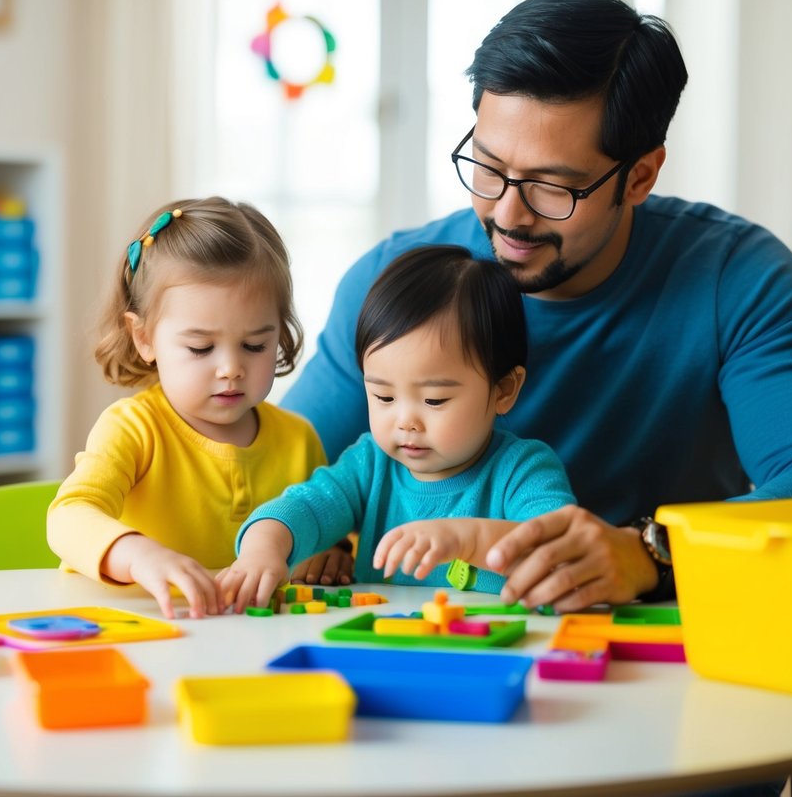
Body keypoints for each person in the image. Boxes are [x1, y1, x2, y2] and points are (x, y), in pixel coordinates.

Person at [281, 0, 792, 613]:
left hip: (667, 651)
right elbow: (275, 465)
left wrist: (651, 551)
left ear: (640, 176)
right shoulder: (397, 284)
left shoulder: (734, 277)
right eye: (488, 167)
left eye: (553, 186)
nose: (506, 213)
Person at [217, 245, 575, 612]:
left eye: (434, 400)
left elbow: (561, 554)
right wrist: (263, 550)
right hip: (380, 646)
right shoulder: (370, 464)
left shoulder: (524, 470)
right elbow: (305, 507)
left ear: (503, 390)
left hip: (493, 652)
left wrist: (468, 539)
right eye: (384, 397)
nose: (405, 421)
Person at [48, 196, 327, 619]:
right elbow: (68, 517)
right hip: (139, 631)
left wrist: (334, 553)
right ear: (143, 338)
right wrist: (138, 555)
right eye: (201, 348)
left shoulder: (298, 439)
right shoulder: (133, 428)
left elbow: (330, 526)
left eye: (255, 345)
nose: (231, 368)